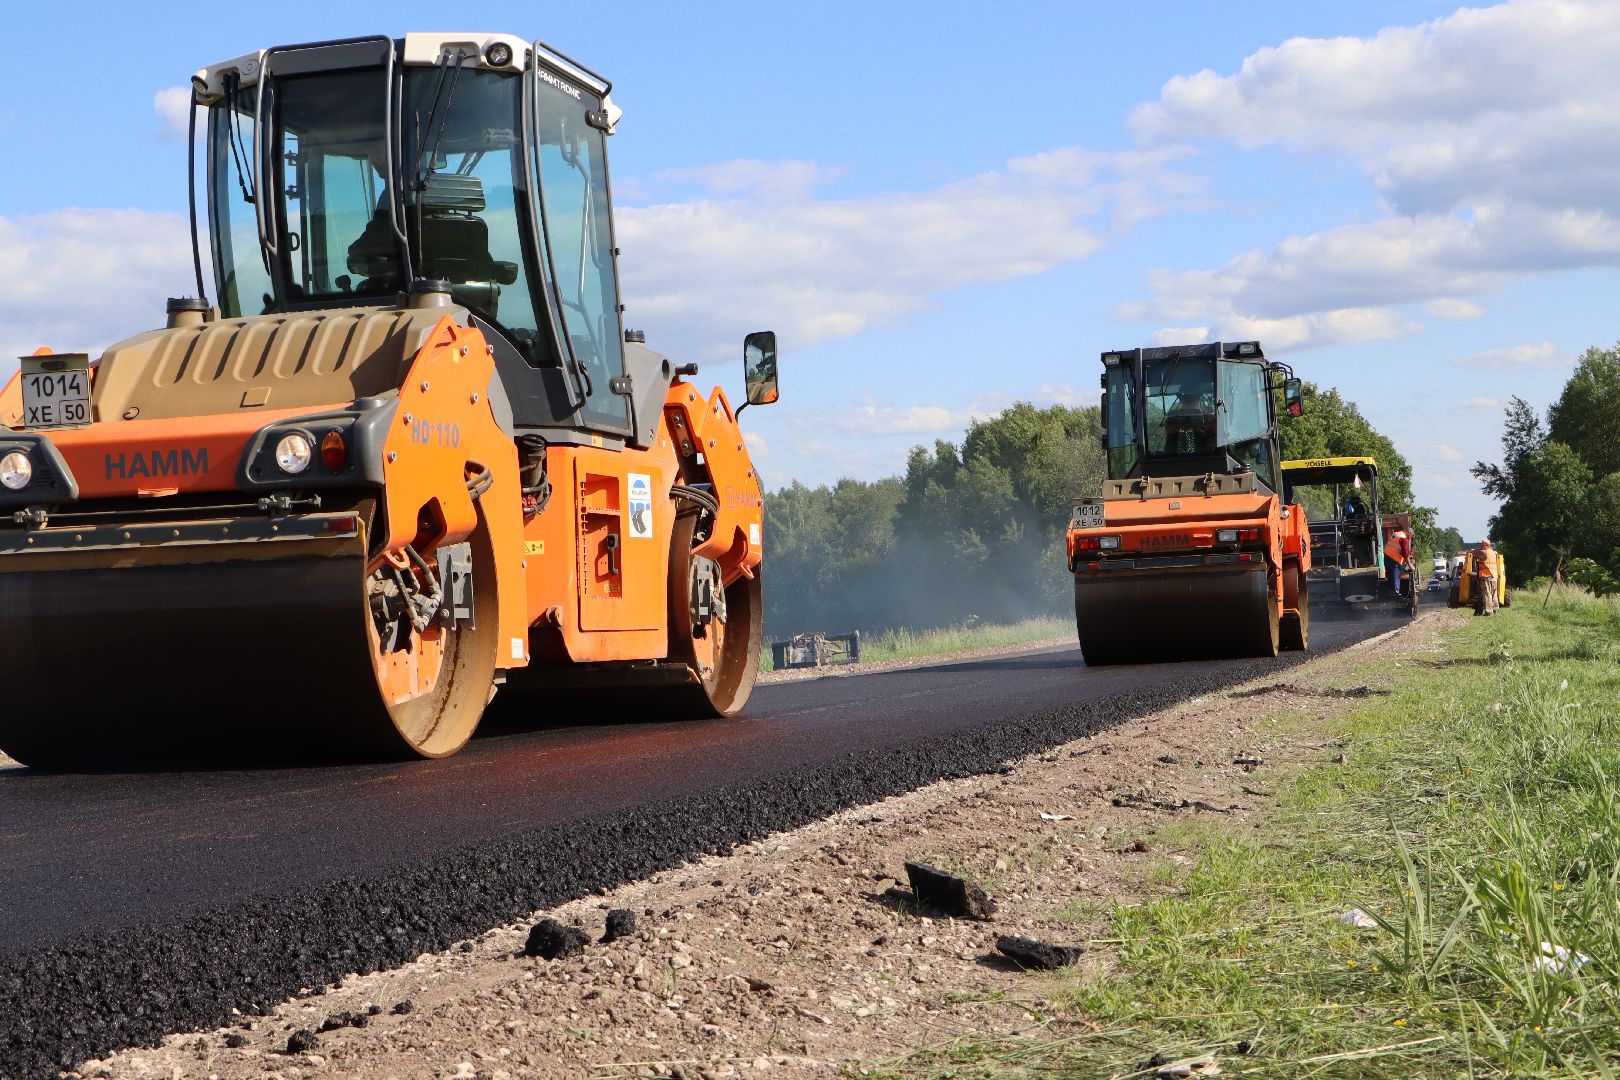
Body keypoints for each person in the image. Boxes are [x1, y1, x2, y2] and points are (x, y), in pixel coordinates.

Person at [1472, 538, 1499, 616]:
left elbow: (1474, 553)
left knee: (1487, 594)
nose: (1481, 545)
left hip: (1486, 576)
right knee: (1494, 594)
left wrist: (1476, 549)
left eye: (1482, 544)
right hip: (1494, 576)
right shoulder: (1493, 553)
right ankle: (1495, 610)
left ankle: (1488, 611)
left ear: (1486, 545)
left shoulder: (1484, 553)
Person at [1383, 526, 1413, 598]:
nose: (1410, 538)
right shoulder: (1404, 538)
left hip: (1387, 557)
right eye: (1411, 536)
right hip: (1393, 559)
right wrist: (1411, 565)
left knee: (1391, 577)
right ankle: (1395, 594)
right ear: (1409, 533)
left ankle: (1391, 593)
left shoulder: (1396, 534)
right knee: (1395, 576)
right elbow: (1405, 554)